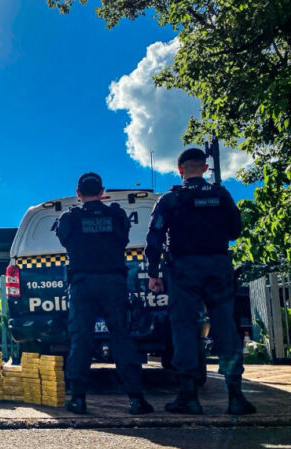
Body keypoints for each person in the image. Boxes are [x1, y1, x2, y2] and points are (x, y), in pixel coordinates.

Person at [145, 148, 255, 415]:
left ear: (180, 169)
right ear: (205, 169)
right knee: (225, 328)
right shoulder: (221, 194)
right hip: (218, 266)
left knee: (184, 328)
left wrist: (153, 273)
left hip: (183, 269)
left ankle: (188, 396)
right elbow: (235, 230)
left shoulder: (171, 198)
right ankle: (236, 396)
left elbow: (155, 237)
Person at [56, 172, 153, 415]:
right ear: (102, 191)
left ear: (78, 194)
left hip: (82, 283)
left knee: (81, 340)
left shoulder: (70, 218)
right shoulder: (117, 215)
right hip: (113, 282)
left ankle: (78, 399)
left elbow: (64, 240)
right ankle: (136, 399)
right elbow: (123, 238)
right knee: (122, 337)